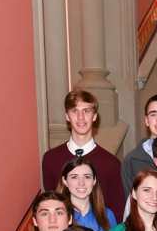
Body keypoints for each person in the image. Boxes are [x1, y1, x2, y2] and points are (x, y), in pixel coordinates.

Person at [43, 89, 125, 217]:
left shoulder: (111, 163)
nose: (80, 117)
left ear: (94, 116)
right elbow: (50, 204)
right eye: (74, 111)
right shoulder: (51, 159)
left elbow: (118, 213)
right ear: (67, 115)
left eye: (86, 111)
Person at [55, 157, 117, 231]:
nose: (81, 183)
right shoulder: (58, 216)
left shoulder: (107, 215)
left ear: (94, 181)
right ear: (65, 181)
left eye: (87, 177)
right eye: (74, 177)